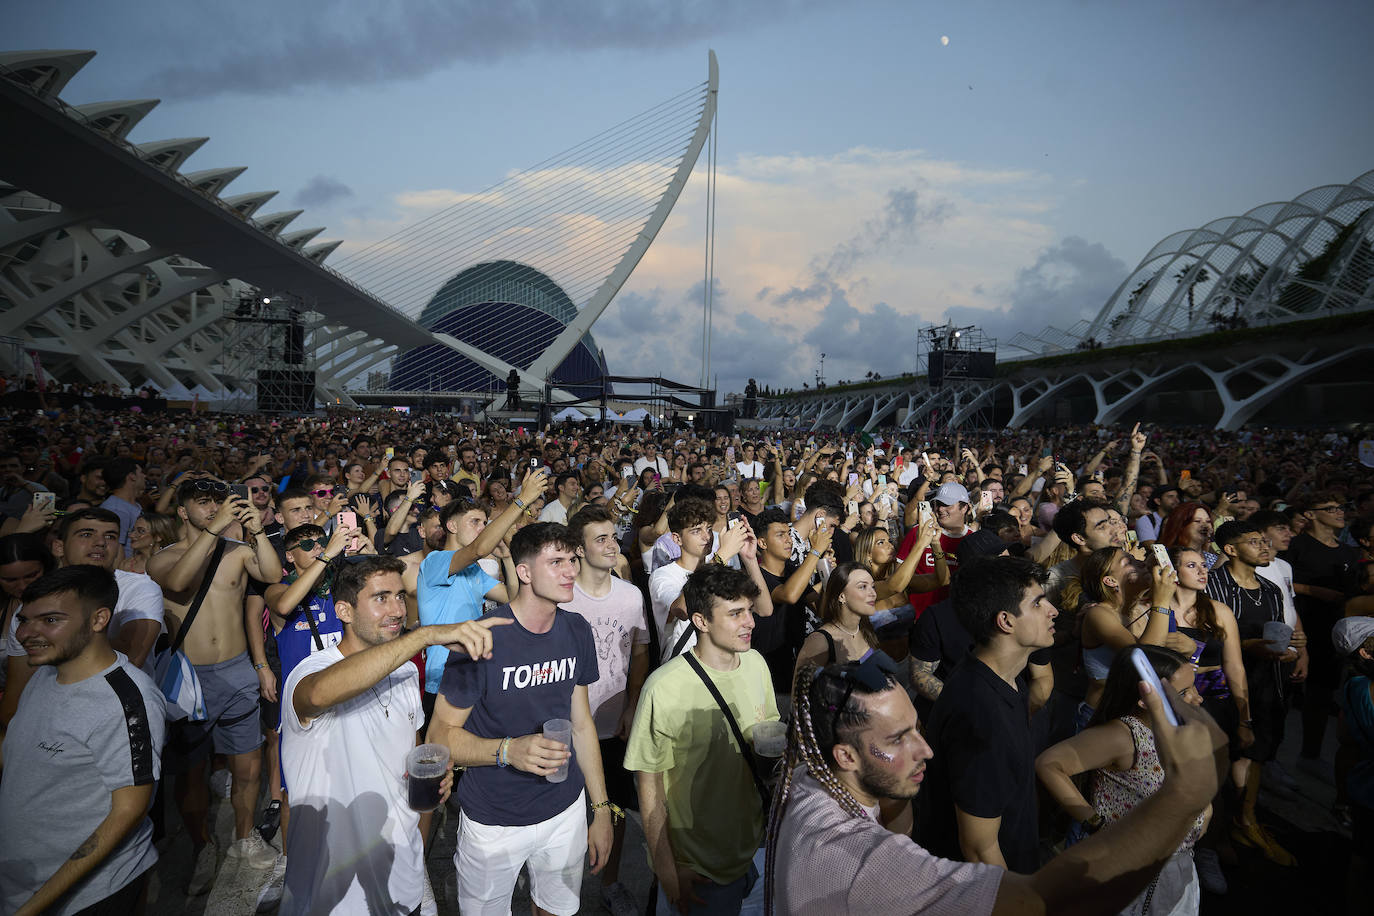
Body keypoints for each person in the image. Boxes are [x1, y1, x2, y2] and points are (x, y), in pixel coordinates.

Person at [766, 648, 1228, 914]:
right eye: (899, 738)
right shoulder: (869, 864)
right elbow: (1038, 903)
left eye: (917, 729)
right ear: (845, 755)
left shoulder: (811, 774)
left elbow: (893, 820)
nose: (925, 750)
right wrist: (1183, 795)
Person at [281, 554, 508, 915]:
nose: (398, 609)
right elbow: (318, 695)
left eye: (401, 596)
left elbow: (416, 764)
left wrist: (431, 795)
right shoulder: (311, 670)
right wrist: (426, 635)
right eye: (381, 598)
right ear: (344, 611)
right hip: (332, 894)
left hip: (402, 883)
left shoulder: (404, 674)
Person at [427, 523, 614, 916]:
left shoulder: (577, 629)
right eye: (556, 562)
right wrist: (509, 751)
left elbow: (581, 724)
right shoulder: (483, 637)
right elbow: (440, 735)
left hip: (565, 809)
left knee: (556, 910)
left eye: (572, 560)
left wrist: (599, 809)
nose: (570, 571)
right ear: (524, 572)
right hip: (495, 819)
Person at [0, 565, 166, 916]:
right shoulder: (44, 675)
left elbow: (129, 811)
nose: (29, 632)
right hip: (19, 885)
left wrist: (32, 909)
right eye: (24, 620)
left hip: (87, 897)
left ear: (98, 619)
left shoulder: (127, 701)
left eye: (50, 620)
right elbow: (20, 761)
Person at [147, 478, 284, 891]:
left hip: (238, 670)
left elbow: (272, 572)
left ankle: (243, 838)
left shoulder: (238, 553)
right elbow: (178, 583)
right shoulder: (163, 558)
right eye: (202, 503)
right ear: (182, 511)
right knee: (192, 772)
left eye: (219, 502)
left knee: (249, 764)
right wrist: (212, 530)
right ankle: (202, 844)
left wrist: (256, 529)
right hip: (188, 680)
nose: (213, 509)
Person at [625, 563, 779, 915]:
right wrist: (668, 869)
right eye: (736, 613)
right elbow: (650, 790)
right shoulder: (664, 688)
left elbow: (766, 729)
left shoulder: (756, 663)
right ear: (701, 621)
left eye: (750, 612)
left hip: (756, 850)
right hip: (700, 869)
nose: (750, 622)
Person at [1035, 645, 1209, 915]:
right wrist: (1093, 822)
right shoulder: (1124, 736)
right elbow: (1050, 764)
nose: (1196, 697)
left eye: (1194, 687)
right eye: (1184, 692)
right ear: (1144, 697)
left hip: (1177, 866)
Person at [918, 556, 1056, 872]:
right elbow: (979, 849)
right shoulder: (980, 715)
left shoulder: (1008, 682)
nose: (1053, 611)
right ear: (1005, 621)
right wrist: (1019, 903)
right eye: (1038, 604)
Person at [562, 506, 650, 916]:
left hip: (613, 725)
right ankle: (556, 886)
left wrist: (633, 707)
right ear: (578, 549)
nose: (612, 544)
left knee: (613, 810)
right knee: (564, 817)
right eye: (600, 538)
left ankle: (610, 884)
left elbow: (639, 653)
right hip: (566, 728)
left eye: (613, 536)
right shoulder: (562, 597)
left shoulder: (630, 595)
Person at [1206, 520, 1298, 866]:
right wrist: (1251, 646)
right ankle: (1212, 837)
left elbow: (1277, 634)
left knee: (1256, 753)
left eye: (1264, 541)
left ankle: (1246, 820)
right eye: (1254, 542)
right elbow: (1209, 642)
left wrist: (1292, 647)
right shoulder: (1213, 584)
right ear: (1230, 550)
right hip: (1222, 688)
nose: (1265, 547)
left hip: (1266, 683)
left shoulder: (1270, 588)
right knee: (1222, 756)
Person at [417, 471, 545, 717]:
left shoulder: (473, 570)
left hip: (472, 669)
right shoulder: (435, 561)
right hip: (441, 676)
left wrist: (507, 559)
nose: (482, 528)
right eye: (474, 522)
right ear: (452, 526)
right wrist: (521, 500)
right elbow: (479, 548)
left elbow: (512, 598)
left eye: (484, 523)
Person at [1283, 493, 1361, 780]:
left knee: (1320, 694)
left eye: (1342, 507)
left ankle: (1310, 755)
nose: (1339, 512)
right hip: (1300, 628)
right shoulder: (1297, 546)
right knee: (1286, 693)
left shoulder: (1347, 552)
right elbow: (1280, 580)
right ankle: (1269, 761)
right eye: (1331, 508)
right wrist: (1314, 591)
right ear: (1311, 515)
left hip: (1333, 629)